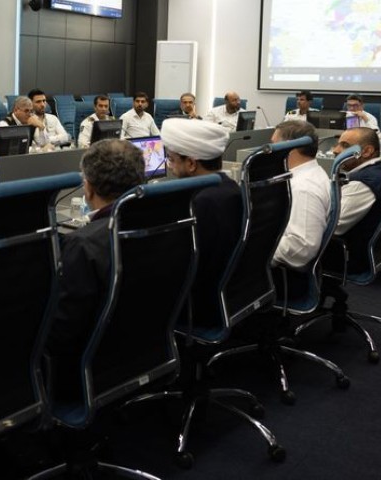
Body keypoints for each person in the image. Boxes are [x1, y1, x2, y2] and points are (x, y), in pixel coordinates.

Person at [46, 139, 144, 402]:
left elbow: (61, 331)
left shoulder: (84, 244)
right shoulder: (157, 221)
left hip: (92, 372)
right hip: (143, 348)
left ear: (88, 186)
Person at [159, 118, 241, 328]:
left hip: (198, 307)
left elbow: (178, 266)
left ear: (191, 163)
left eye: (171, 160)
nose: (170, 167)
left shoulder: (200, 204)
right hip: (231, 295)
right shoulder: (231, 187)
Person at [271, 120, 331, 270]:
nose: (270, 151)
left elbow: (301, 248)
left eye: (273, 144)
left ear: (289, 148)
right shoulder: (309, 173)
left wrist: (254, 248)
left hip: (282, 272)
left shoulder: (303, 188)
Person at [331, 127, 381, 258]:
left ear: (367, 151)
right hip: (380, 248)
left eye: (345, 146)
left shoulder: (361, 183)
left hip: (352, 254)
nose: (336, 150)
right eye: (337, 144)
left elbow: (335, 226)